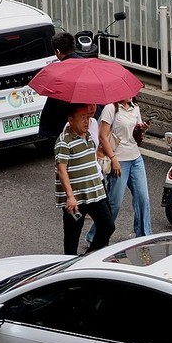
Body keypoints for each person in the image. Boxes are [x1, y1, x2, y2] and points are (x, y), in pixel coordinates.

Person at [86, 96, 152, 246]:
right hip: (119, 160)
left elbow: (136, 136)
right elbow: (103, 136)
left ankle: (144, 235)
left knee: (143, 198)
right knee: (115, 203)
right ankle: (94, 236)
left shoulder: (135, 107)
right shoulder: (111, 108)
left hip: (136, 158)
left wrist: (141, 130)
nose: (130, 95)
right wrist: (113, 159)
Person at [56, 103, 115, 255]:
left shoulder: (88, 135)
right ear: (71, 120)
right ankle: (70, 266)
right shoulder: (64, 141)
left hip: (95, 192)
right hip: (76, 198)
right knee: (72, 238)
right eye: (82, 118)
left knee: (108, 226)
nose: (86, 121)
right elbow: (61, 169)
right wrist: (70, 196)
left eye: (88, 117)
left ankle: (89, 256)